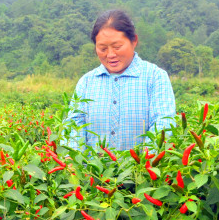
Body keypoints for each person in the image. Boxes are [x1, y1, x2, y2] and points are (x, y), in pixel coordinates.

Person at [63, 10, 175, 151]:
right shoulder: (86, 82)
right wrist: (72, 160)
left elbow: (163, 122)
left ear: (134, 41)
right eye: (102, 48)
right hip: (93, 172)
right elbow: (74, 123)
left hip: (142, 170)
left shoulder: (154, 77)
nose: (110, 55)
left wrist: (144, 164)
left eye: (117, 47)